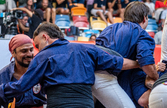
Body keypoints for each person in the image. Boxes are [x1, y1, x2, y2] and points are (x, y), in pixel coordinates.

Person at [0, 23, 139, 108]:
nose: (37, 50)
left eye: (36, 46)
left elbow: (21, 86)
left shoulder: (43, 56)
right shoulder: (87, 49)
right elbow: (119, 63)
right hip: (85, 105)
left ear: (45, 37)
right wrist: (141, 64)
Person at [96, 2, 159, 107]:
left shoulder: (109, 28)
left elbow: (97, 51)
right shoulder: (142, 34)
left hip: (91, 76)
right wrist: (156, 76)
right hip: (109, 79)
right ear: (144, 18)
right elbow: (146, 63)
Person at [0, 34, 46, 108]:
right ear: (13, 53)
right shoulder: (3, 76)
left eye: (31, 50)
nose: (29, 54)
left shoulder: (41, 71)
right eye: (24, 51)